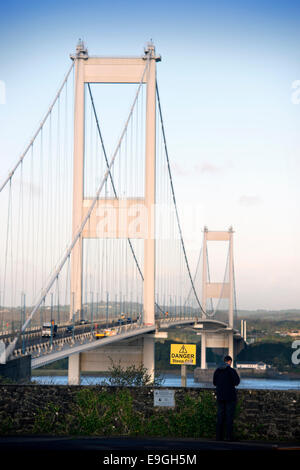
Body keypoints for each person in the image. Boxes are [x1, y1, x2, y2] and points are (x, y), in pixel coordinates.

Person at [213, 355, 240, 441]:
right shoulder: (231, 371)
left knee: (220, 416)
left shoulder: (217, 371)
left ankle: (218, 437)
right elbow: (237, 382)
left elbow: (214, 383)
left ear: (224, 361)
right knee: (229, 417)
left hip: (220, 396)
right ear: (229, 362)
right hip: (230, 396)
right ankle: (229, 437)